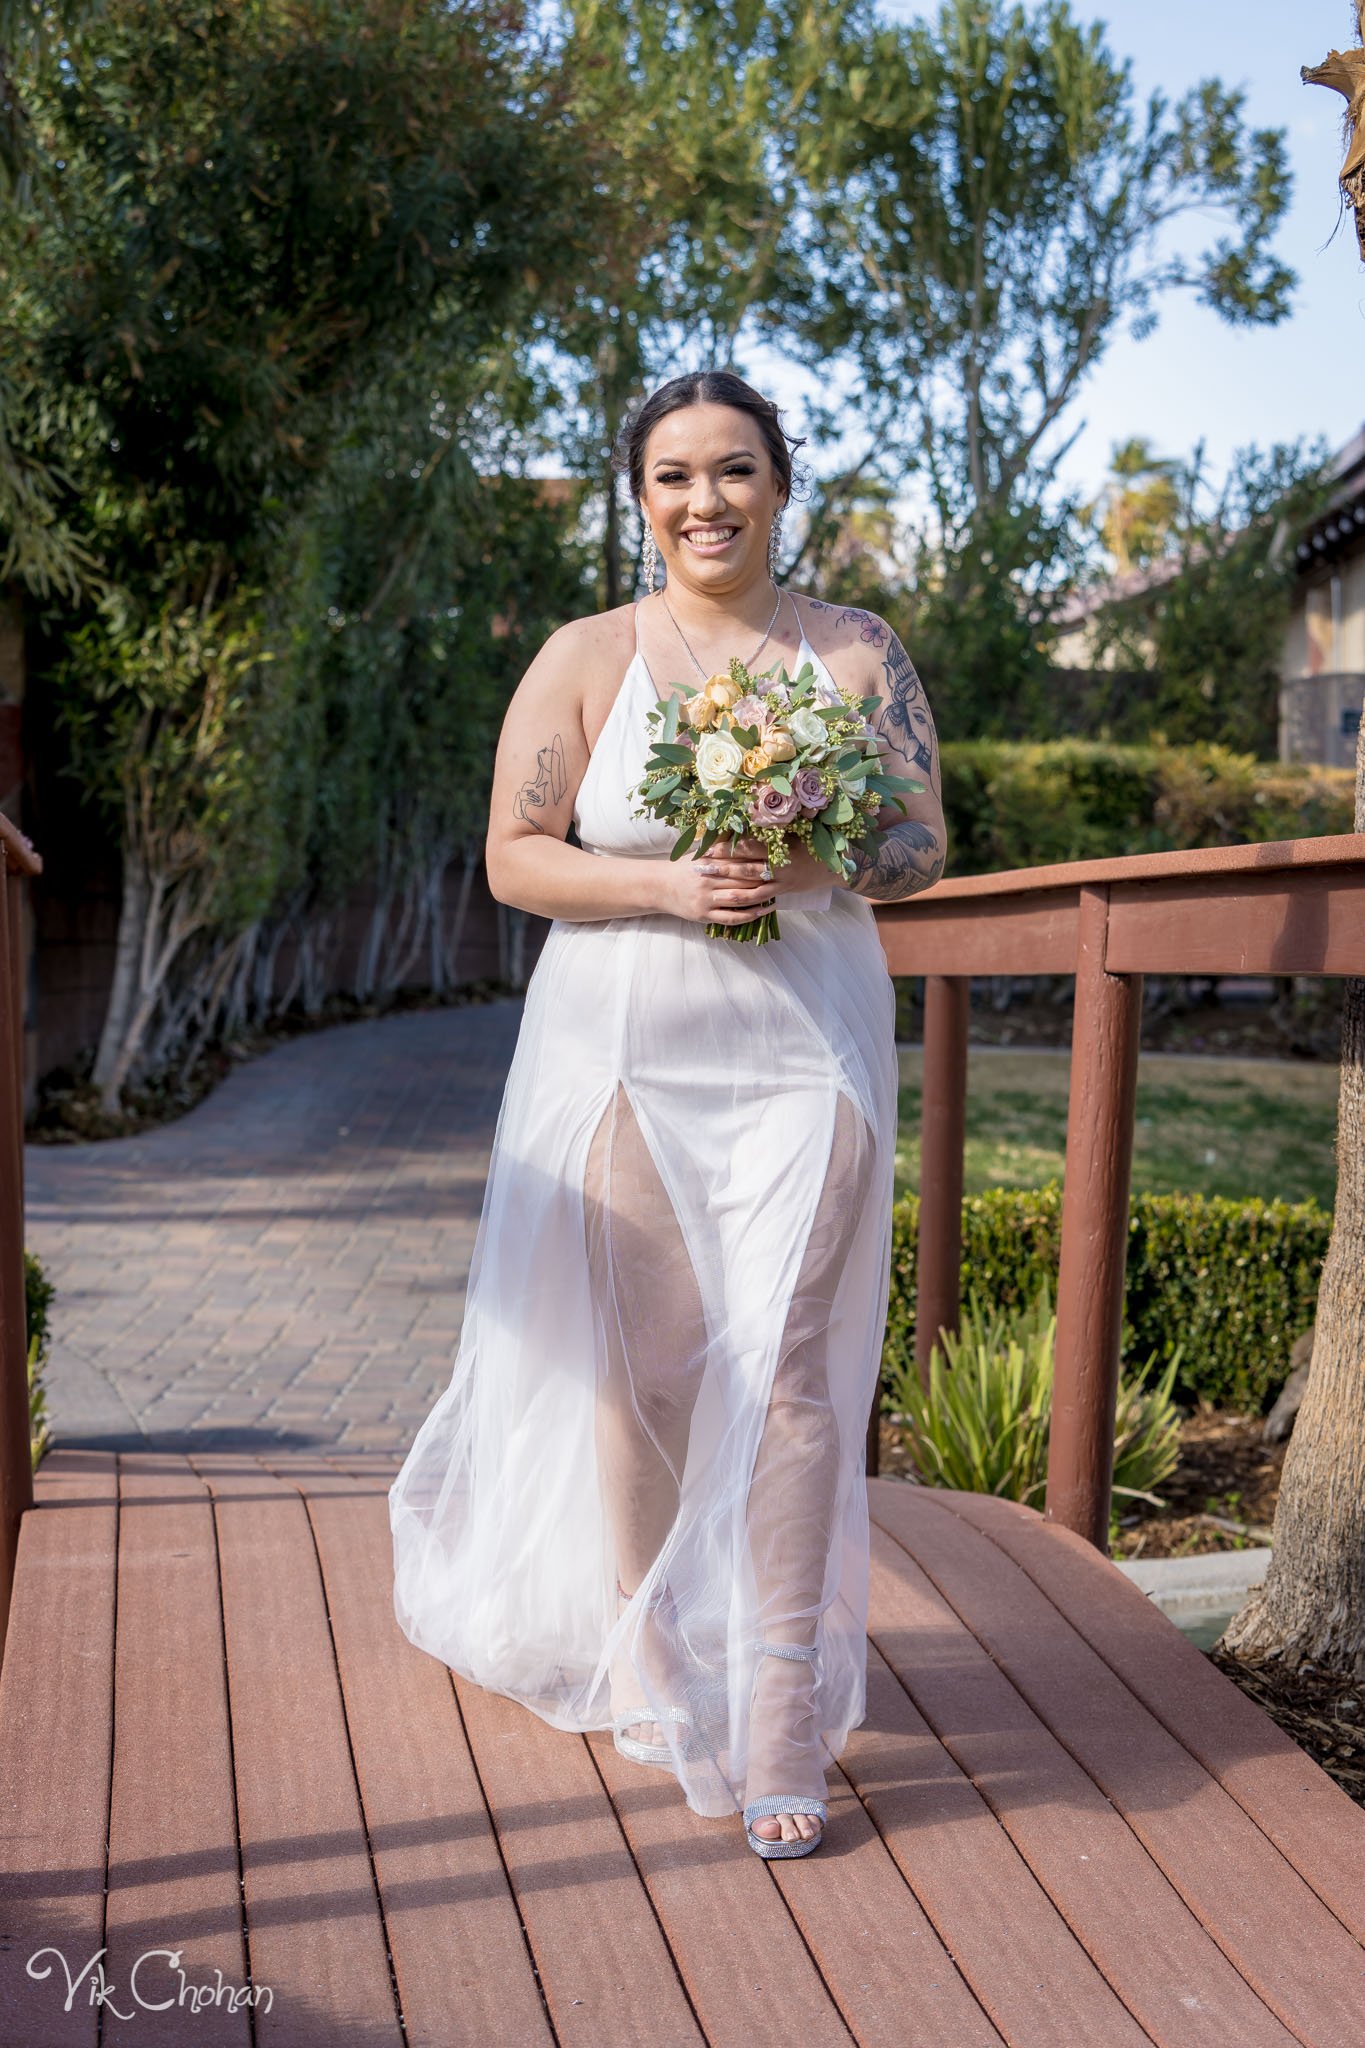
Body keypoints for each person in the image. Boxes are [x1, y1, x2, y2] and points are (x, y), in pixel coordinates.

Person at [388, 370, 946, 1859]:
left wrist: (812, 832)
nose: (706, 501)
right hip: (625, 1040)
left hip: (802, 1046)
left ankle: (779, 1702)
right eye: (674, 478)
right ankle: (647, 1641)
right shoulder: (583, 657)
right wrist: (664, 880)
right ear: (641, 500)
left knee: (791, 1372)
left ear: (780, 484)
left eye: (735, 471)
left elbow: (918, 844)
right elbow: (515, 855)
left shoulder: (851, 650)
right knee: (657, 1363)